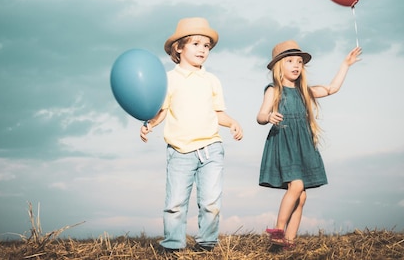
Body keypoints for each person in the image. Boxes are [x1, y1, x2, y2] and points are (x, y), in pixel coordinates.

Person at [140, 17, 244, 253]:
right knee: (175, 203)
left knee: (210, 202)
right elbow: (162, 110)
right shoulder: (169, 79)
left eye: (206, 46)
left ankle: (206, 243)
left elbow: (218, 113)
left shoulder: (211, 80)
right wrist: (150, 124)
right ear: (179, 47)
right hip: (179, 151)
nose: (203, 50)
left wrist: (232, 123)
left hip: (211, 149)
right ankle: (173, 245)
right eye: (196, 44)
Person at [256, 40, 362, 249]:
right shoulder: (273, 90)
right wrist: (268, 117)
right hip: (284, 141)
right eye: (290, 61)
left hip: (303, 143)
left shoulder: (304, 90)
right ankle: (278, 231)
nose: (296, 65)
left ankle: (289, 241)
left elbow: (332, 88)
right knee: (296, 186)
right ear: (279, 66)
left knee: (301, 196)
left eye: (299, 62)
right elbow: (260, 115)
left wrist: (346, 64)